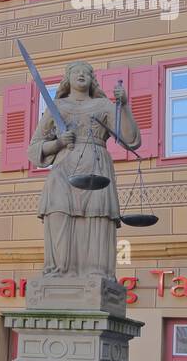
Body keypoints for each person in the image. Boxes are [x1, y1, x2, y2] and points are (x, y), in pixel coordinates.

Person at [27, 59, 140, 279]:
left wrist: (123, 106)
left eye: (86, 73)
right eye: (75, 72)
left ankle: (96, 272)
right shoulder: (57, 108)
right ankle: (58, 271)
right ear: (67, 79)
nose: (81, 75)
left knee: (97, 217)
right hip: (63, 169)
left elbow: (131, 139)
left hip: (97, 166)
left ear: (92, 80)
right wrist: (58, 143)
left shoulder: (104, 105)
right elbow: (34, 149)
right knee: (58, 212)